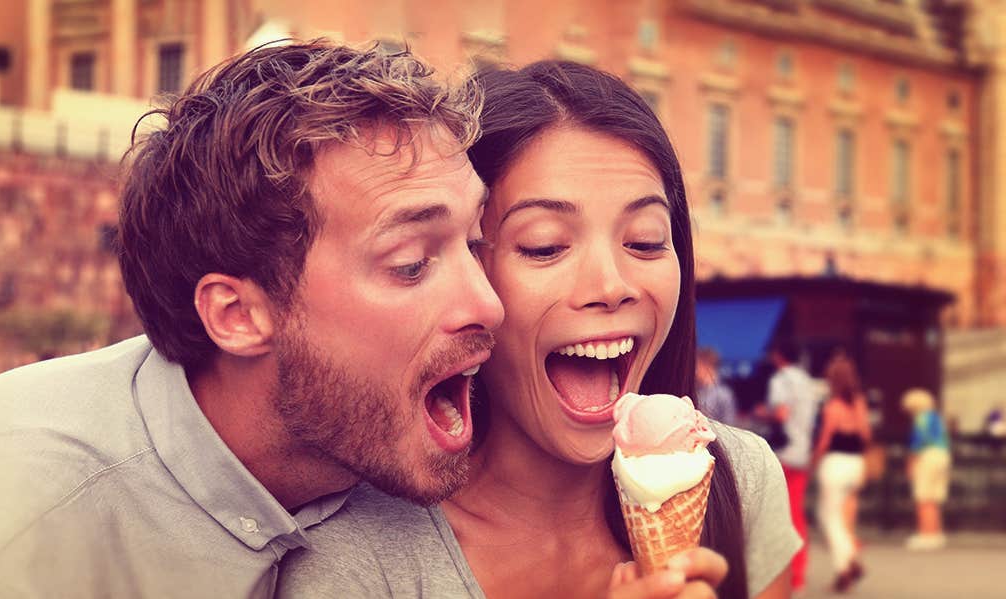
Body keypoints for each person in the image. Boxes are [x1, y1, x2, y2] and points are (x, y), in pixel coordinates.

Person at [0, 41, 505, 598]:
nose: (486, 303)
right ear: (238, 314)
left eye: (475, 242)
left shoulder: (382, 450)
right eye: (412, 262)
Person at [278, 61, 799, 599]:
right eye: (544, 245)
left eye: (644, 240)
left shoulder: (742, 480)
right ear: (468, 271)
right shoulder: (352, 561)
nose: (611, 284)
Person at [760, 340, 820, 593]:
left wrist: (762, 412)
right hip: (802, 451)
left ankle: (779, 577)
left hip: (782, 452)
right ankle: (798, 574)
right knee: (796, 512)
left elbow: (781, 414)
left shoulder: (781, 380)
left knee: (775, 515)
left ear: (778, 355)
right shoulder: (808, 382)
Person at [810, 354, 872, 592]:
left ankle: (843, 566)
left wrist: (813, 461)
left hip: (835, 464)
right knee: (839, 516)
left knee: (828, 516)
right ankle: (850, 559)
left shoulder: (833, 407)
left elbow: (825, 441)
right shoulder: (859, 402)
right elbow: (866, 435)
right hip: (856, 463)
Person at [902, 388, 952, 551]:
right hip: (943, 456)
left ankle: (926, 534)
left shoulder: (921, 418)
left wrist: (910, 463)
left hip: (928, 457)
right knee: (935, 497)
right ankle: (936, 533)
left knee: (923, 496)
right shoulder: (937, 418)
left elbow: (918, 442)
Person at [697, 347, 738, 426]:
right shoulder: (697, 390)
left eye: (697, 365)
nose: (695, 370)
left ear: (706, 366)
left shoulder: (724, 394)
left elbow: (729, 424)